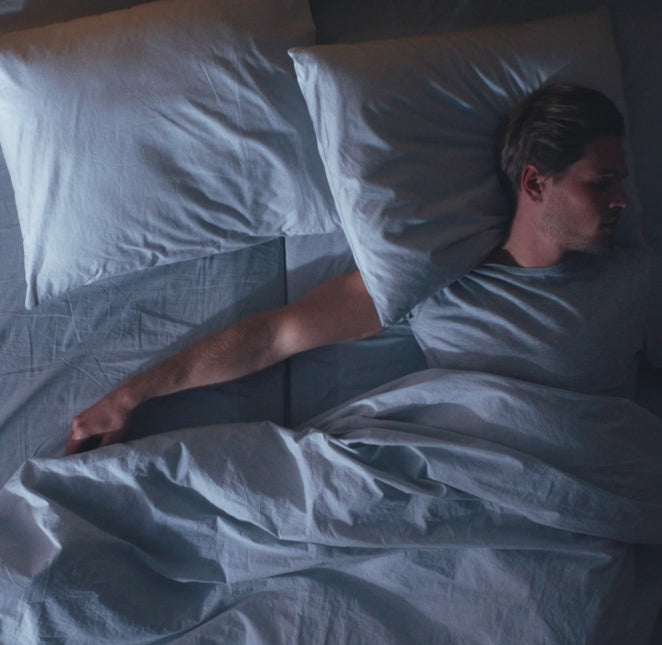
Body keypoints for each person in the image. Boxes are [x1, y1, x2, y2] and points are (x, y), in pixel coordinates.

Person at [64, 82, 640, 455]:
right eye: (602, 183)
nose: (622, 202)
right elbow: (273, 336)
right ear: (536, 183)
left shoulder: (638, 280)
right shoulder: (438, 281)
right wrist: (129, 395)